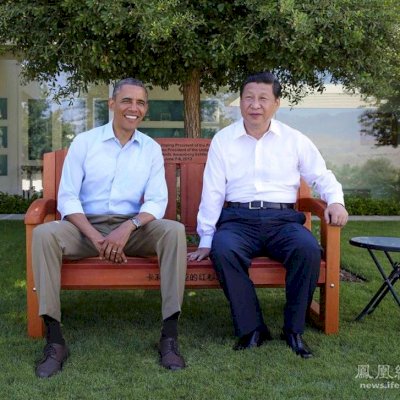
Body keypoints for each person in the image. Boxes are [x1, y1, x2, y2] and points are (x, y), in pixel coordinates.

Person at [32, 78, 187, 378]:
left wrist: (126, 228)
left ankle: (169, 336)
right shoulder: (85, 143)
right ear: (112, 104)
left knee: (173, 231)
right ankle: (54, 339)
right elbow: (67, 198)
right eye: (127, 101)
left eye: (140, 103)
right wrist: (95, 236)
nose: (134, 108)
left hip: (131, 230)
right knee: (43, 234)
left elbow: (157, 201)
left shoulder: (151, 150)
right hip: (83, 229)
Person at [189, 72, 348, 358]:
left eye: (263, 98)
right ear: (240, 102)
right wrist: (206, 238)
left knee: (308, 249)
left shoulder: (294, 140)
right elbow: (212, 190)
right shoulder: (224, 140)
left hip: (283, 222)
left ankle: (294, 329)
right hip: (238, 221)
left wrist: (335, 201)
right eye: (248, 97)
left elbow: (321, 175)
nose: (255, 105)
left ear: (276, 103)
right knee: (223, 251)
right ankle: (252, 329)